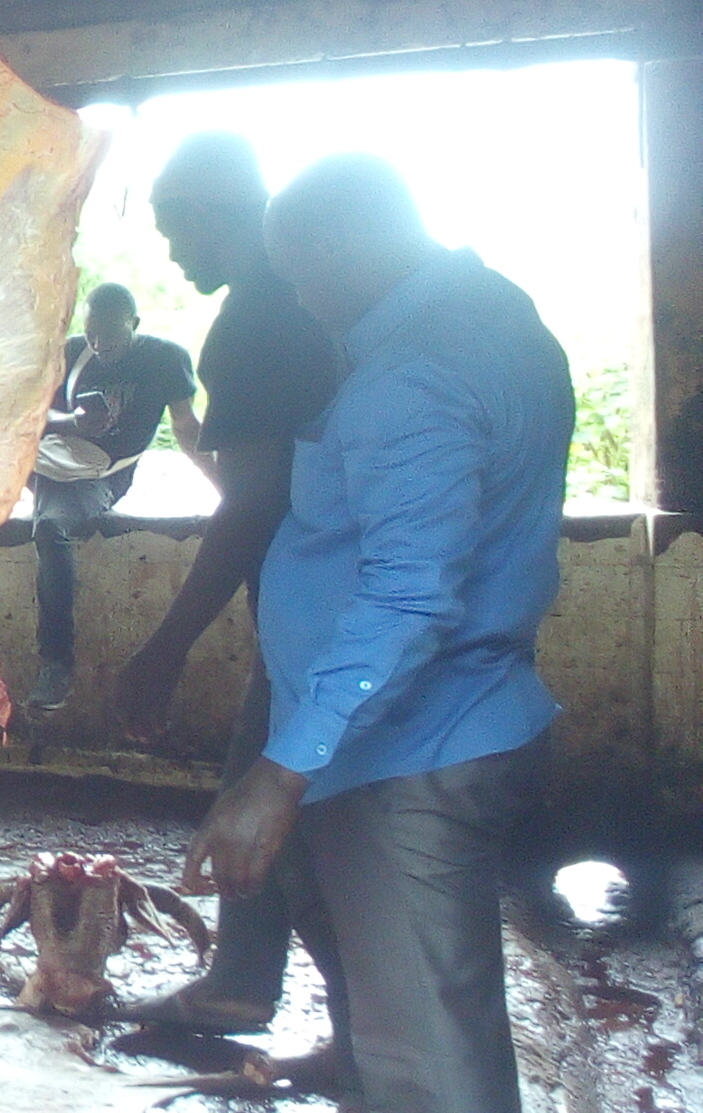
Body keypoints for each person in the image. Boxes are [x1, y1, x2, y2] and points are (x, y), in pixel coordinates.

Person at [183, 154, 568, 1113]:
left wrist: (280, 772)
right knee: (401, 1003)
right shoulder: (493, 313)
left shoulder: (415, 376)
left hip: (409, 750)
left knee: (430, 1058)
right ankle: (357, 1066)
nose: (303, 301)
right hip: (432, 725)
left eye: (302, 274)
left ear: (336, 245)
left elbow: (408, 596)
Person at [112, 133, 351, 1046]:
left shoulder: (253, 324)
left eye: (178, 230)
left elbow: (254, 501)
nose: (173, 252)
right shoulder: (310, 306)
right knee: (269, 795)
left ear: (226, 211)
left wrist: (165, 647)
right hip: (326, 602)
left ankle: (338, 1026)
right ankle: (251, 982)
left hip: (314, 611)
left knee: (271, 810)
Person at [24, 282, 202, 711]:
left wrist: (226, 488)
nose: (100, 345)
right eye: (92, 334)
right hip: (49, 460)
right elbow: (26, 413)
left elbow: (185, 427)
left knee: (50, 527)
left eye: (111, 335)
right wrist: (72, 422)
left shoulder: (165, 360)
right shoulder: (70, 352)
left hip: (102, 475)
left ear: (135, 325)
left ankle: (57, 663)